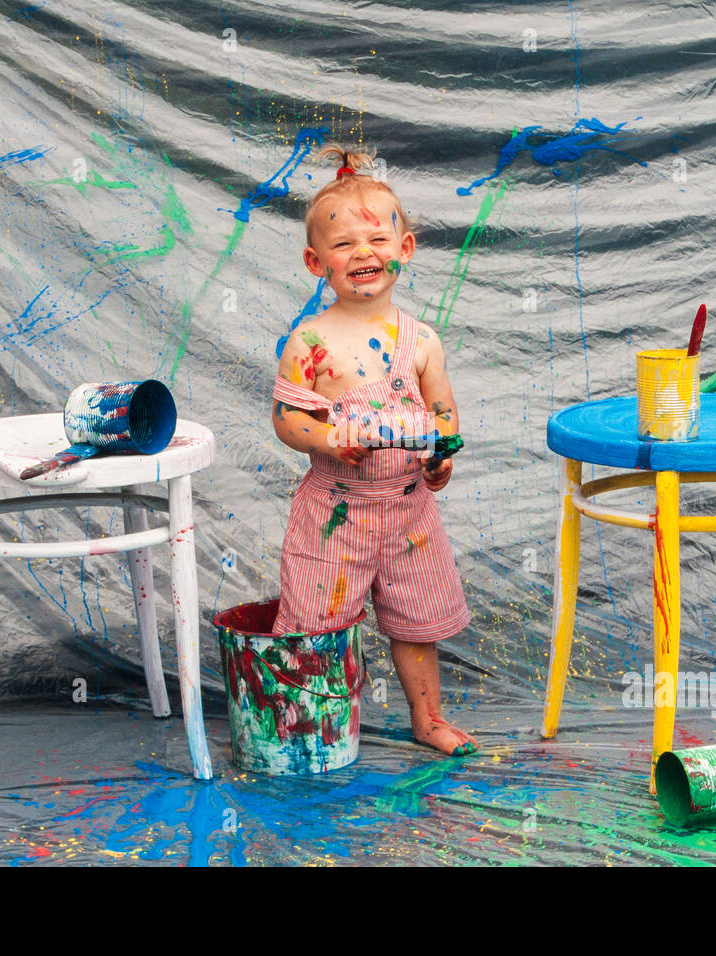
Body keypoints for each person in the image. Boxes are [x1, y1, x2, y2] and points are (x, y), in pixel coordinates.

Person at [270, 143, 477, 757]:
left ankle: (428, 717)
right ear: (317, 263)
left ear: (404, 249)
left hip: (410, 513)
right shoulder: (310, 341)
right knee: (316, 622)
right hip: (334, 515)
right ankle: (314, 722)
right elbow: (285, 418)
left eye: (377, 239)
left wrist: (441, 456)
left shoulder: (421, 341)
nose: (363, 252)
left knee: (416, 625)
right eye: (343, 245)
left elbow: (442, 413)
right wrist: (328, 436)